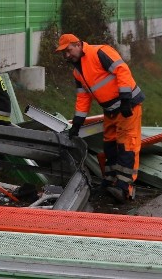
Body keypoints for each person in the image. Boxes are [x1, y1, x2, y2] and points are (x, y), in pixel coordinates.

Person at [55, 33, 145, 203]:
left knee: (127, 145)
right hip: (111, 110)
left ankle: (125, 187)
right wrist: (77, 124)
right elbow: (83, 97)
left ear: (78, 44)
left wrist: (126, 99)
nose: (67, 55)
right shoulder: (77, 71)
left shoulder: (100, 52)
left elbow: (122, 70)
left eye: (68, 50)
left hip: (128, 106)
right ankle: (110, 181)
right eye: (64, 53)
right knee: (110, 145)